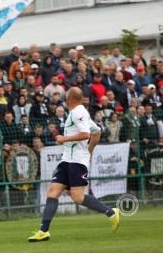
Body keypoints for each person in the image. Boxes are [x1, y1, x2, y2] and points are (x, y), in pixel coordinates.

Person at [28, 87, 120, 242]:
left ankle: (111, 212)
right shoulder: (81, 113)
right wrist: (89, 151)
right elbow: (97, 133)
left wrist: (64, 139)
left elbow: (86, 134)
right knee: (52, 192)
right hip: (67, 160)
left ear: (69, 98)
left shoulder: (78, 112)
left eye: (66, 97)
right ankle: (43, 231)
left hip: (77, 161)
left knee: (77, 197)